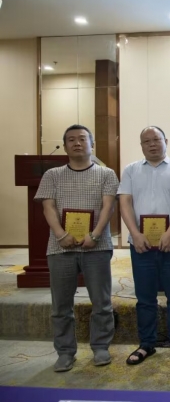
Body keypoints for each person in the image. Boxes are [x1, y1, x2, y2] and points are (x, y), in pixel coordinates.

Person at [34, 124, 119, 372]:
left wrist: (95, 234)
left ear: (92, 144)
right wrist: (61, 235)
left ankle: (101, 347)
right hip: (60, 247)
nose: (77, 143)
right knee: (61, 305)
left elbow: (108, 207)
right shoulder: (52, 174)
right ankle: (65, 352)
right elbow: (48, 207)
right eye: (71, 140)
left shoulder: (106, 174)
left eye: (82, 138)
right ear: (65, 146)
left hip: (97, 246)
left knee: (101, 302)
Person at [118, 126, 170, 365]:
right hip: (141, 244)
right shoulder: (130, 170)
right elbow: (125, 203)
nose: (152, 144)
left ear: (166, 141)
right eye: (146, 141)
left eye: (156, 139)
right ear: (141, 145)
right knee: (145, 297)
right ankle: (146, 344)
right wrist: (134, 233)